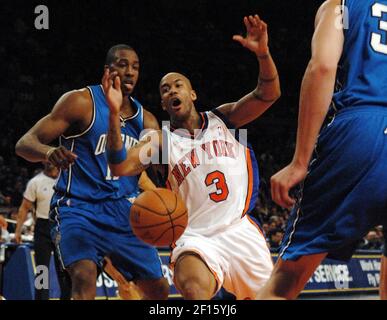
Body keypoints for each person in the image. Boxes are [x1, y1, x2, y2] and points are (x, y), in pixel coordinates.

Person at [103, 15, 280, 300]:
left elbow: (268, 93)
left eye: (178, 85)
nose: (172, 89)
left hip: (239, 228)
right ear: (163, 103)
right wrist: (113, 114)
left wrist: (263, 54)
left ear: (192, 93)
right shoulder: (160, 139)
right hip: (195, 236)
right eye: (165, 89)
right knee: (195, 289)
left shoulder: (224, 119)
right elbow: (120, 165)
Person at [15, 44, 169, 300]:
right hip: (78, 208)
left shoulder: (148, 121)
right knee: (84, 280)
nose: (129, 72)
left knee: (159, 292)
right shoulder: (81, 102)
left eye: (135, 67)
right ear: (108, 70)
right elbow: (24, 143)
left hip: (123, 213)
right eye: (122, 64)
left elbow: (138, 172)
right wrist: (48, 152)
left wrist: (164, 198)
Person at [257, 0, 387, 299]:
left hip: (362, 129)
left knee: (283, 286)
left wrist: (300, 161)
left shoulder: (339, 5)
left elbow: (323, 67)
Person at [15, 162, 72, 300]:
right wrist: (18, 231)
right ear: (43, 162)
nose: (50, 162)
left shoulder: (67, 179)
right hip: (43, 226)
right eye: (48, 160)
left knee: (64, 270)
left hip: (62, 226)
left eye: (53, 159)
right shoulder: (35, 182)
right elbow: (24, 208)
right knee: (42, 270)